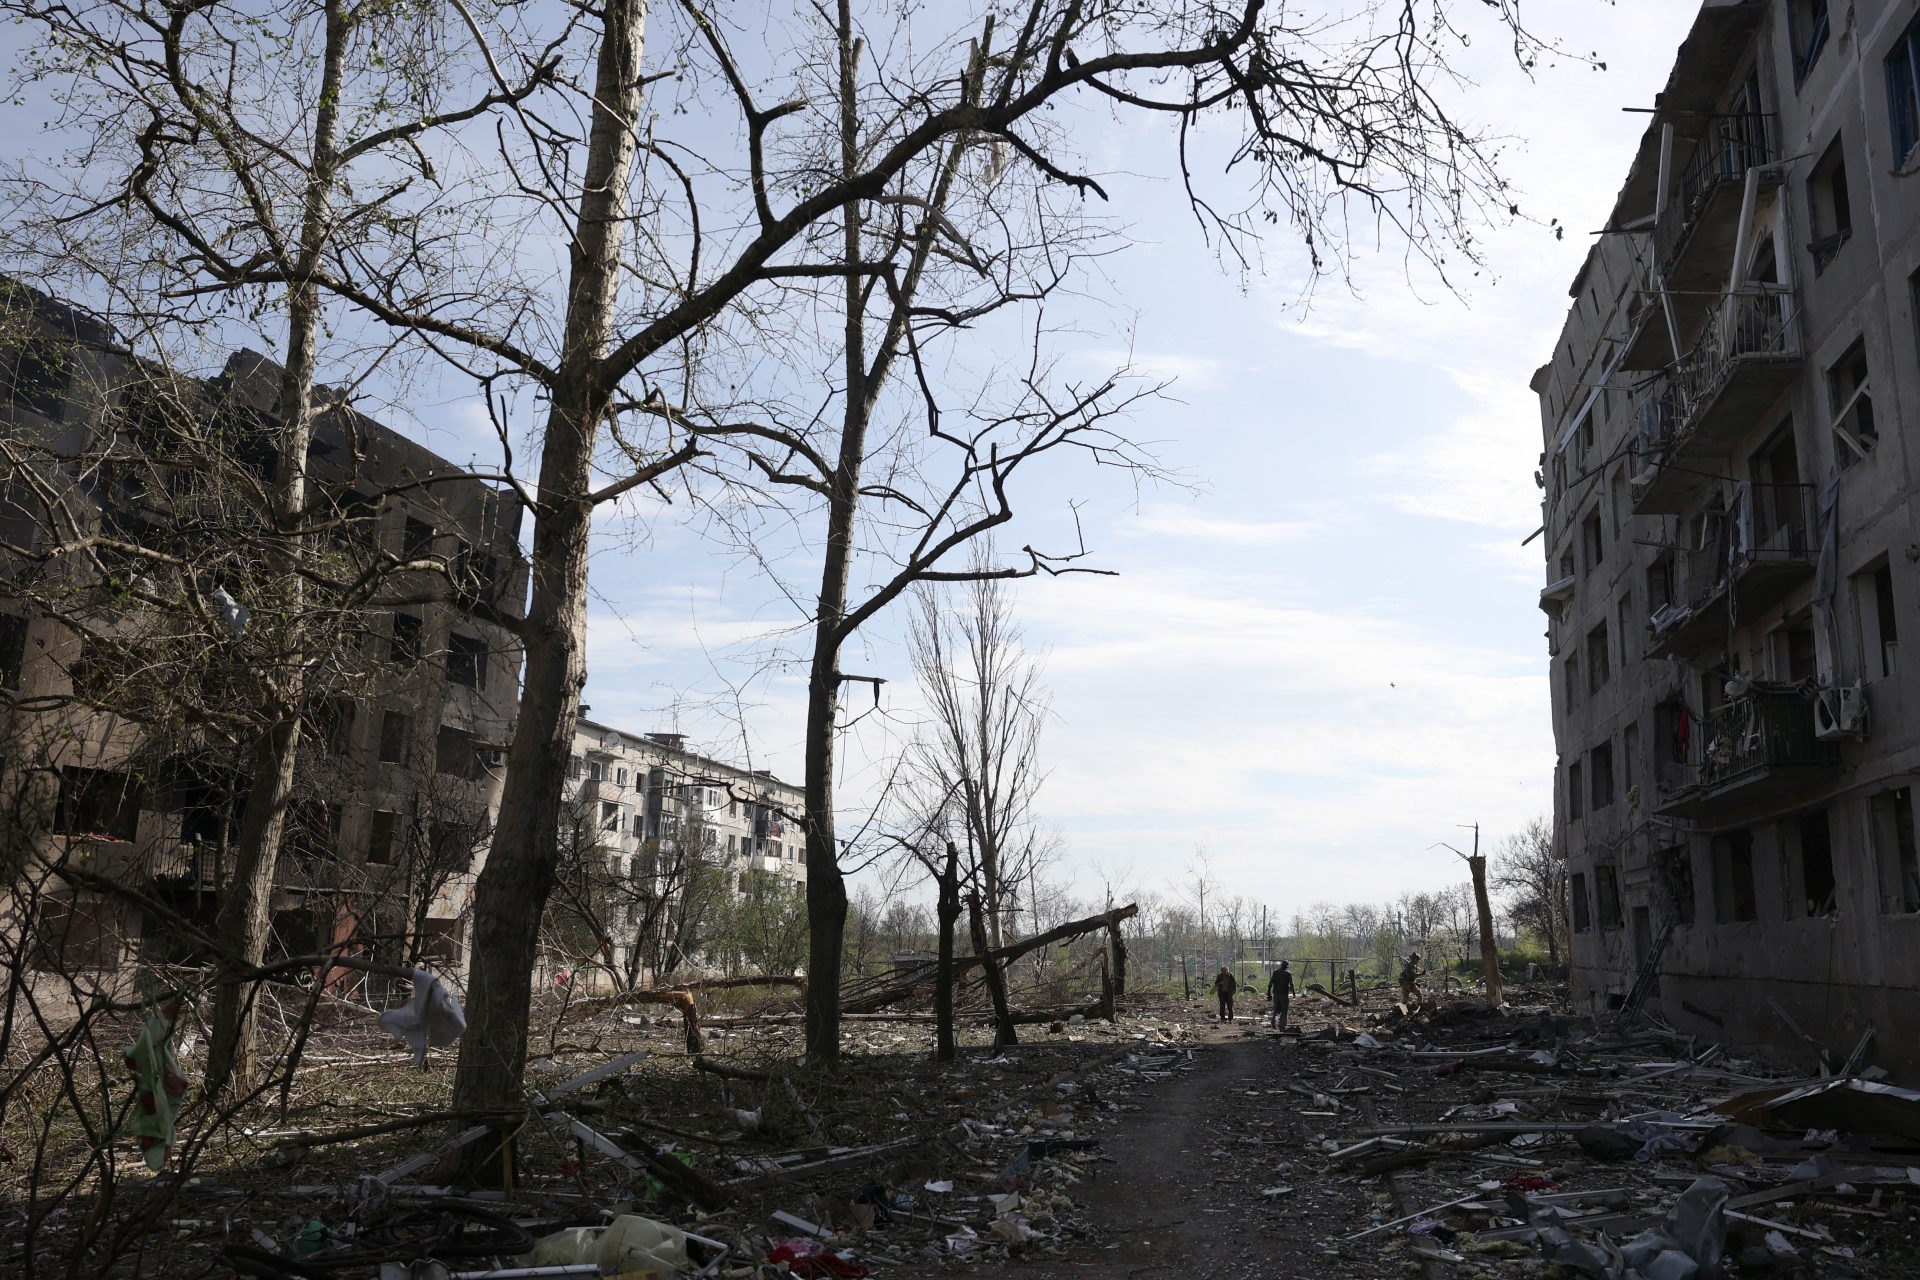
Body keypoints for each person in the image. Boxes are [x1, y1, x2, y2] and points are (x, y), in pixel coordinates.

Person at [1266, 960, 1294, 1031]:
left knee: (1276, 1009)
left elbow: (1270, 983)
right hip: (1284, 995)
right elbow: (1291, 984)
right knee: (1284, 1010)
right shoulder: (1288, 974)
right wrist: (1293, 993)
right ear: (1287, 966)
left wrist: (1268, 993)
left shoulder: (1275, 972)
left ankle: (1273, 1024)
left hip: (1276, 994)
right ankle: (1282, 1026)